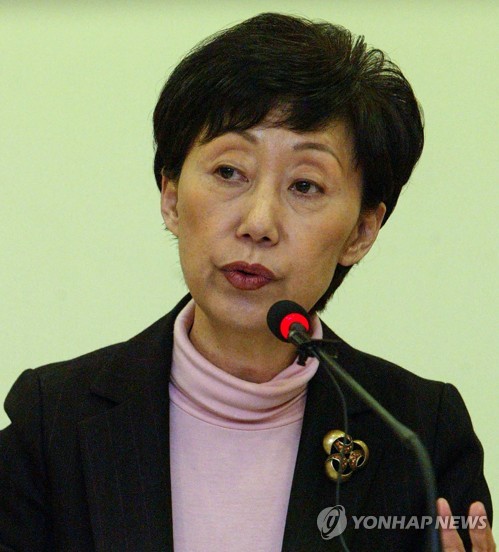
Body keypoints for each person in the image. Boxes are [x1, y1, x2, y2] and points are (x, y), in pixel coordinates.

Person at [0, 12, 494, 552]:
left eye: (305, 186)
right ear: (171, 196)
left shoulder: (418, 436)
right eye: (229, 172)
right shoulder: (52, 423)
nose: (258, 223)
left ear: (361, 232)